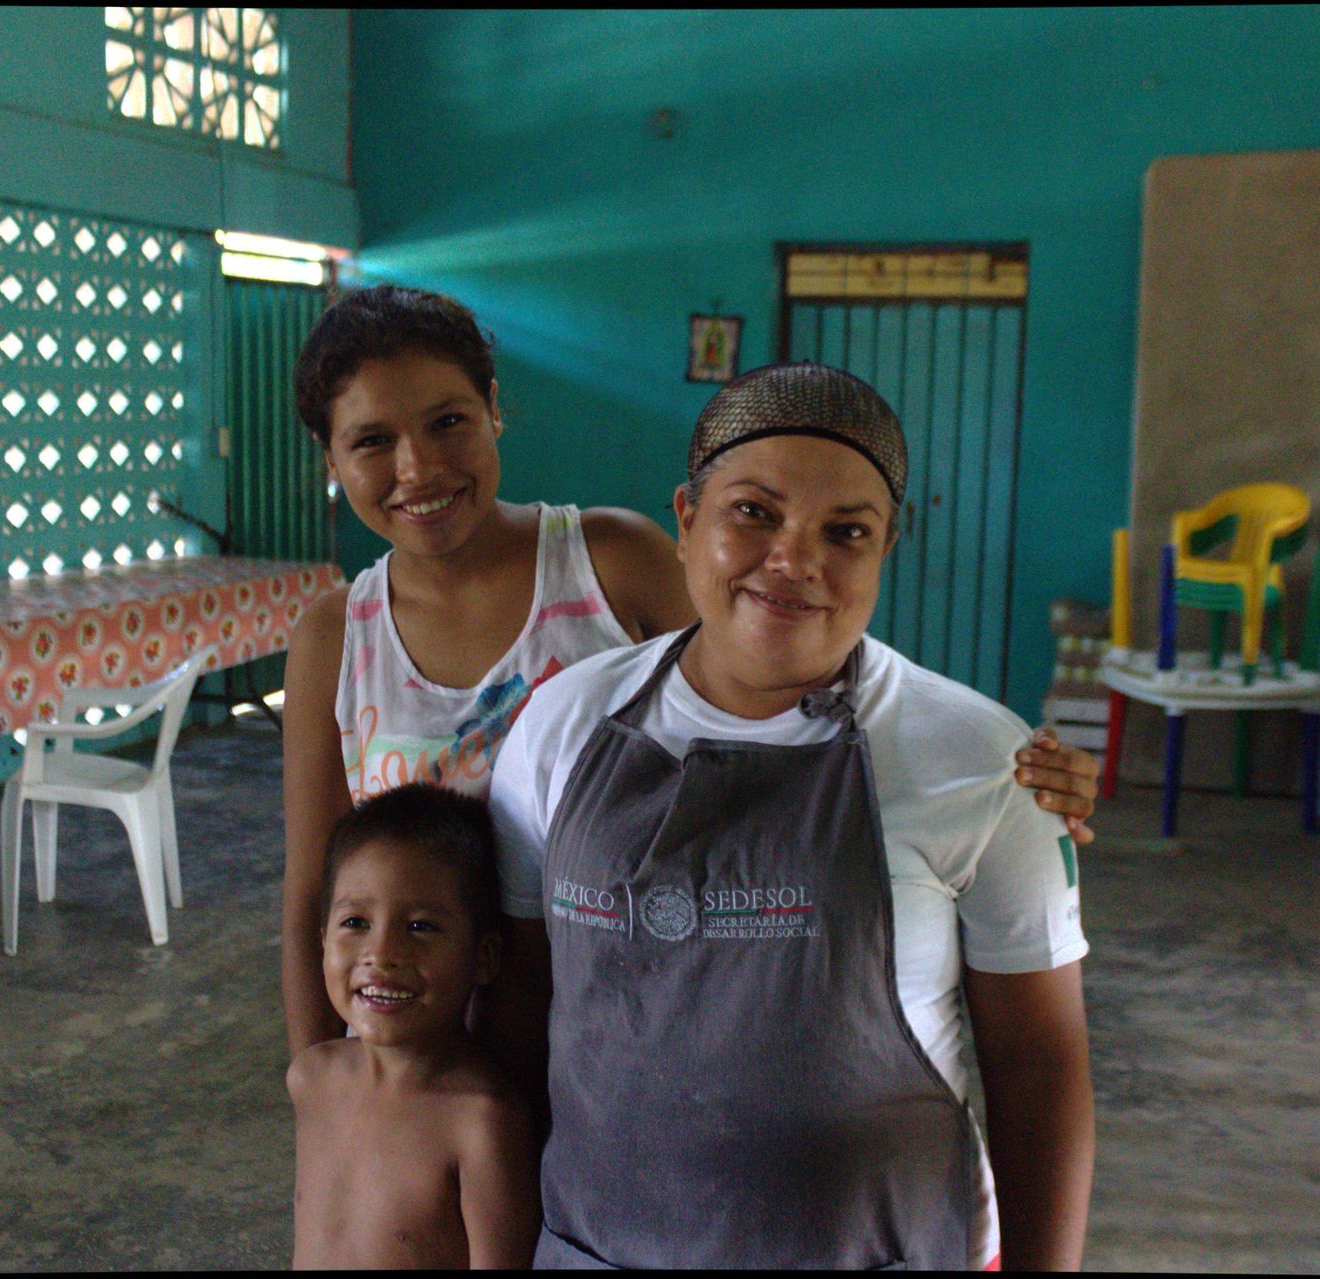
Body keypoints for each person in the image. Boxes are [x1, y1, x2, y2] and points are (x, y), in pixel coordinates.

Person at [280, 285, 1101, 1060]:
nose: (419, 467)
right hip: (416, 1051)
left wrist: (995, 768)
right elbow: (312, 891)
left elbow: (779, 681)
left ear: (495, 409)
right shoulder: (337, 635)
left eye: (449, 421)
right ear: (330, 454)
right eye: (372, 440)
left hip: (633, 1020)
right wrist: (325, 1086)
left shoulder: (606, 563)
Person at [482, 363, 1094, 1270]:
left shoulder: (980, 760)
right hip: (597, 1248)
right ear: (687, 519)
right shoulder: (562, 725)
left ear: (887, 547)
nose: (793, 559)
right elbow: (523, 1000)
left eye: (845, 531)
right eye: (753, 513)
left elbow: (1040, 1066)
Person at [288, 783, 541, 1270]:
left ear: (483, 957)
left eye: (421, 926)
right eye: (355, 922)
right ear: (322, 941)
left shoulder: (481, 1121)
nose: (381, 955)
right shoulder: (311, 1080)